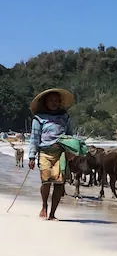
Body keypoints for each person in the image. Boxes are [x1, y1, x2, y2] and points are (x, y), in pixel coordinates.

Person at [26, 88, 75, 221]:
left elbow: (70, 136)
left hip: (61, 153)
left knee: (59, 183)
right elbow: (34, 138)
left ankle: (53, 213)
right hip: (45, 153)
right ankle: (44, 206)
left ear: (60, 102)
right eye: (51, 100)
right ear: (45, 102)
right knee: (46, 181)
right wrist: (31, 156)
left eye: (56, 101)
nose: (54, 103)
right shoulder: (38, 118)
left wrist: (71, 151)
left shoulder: (65, 116)